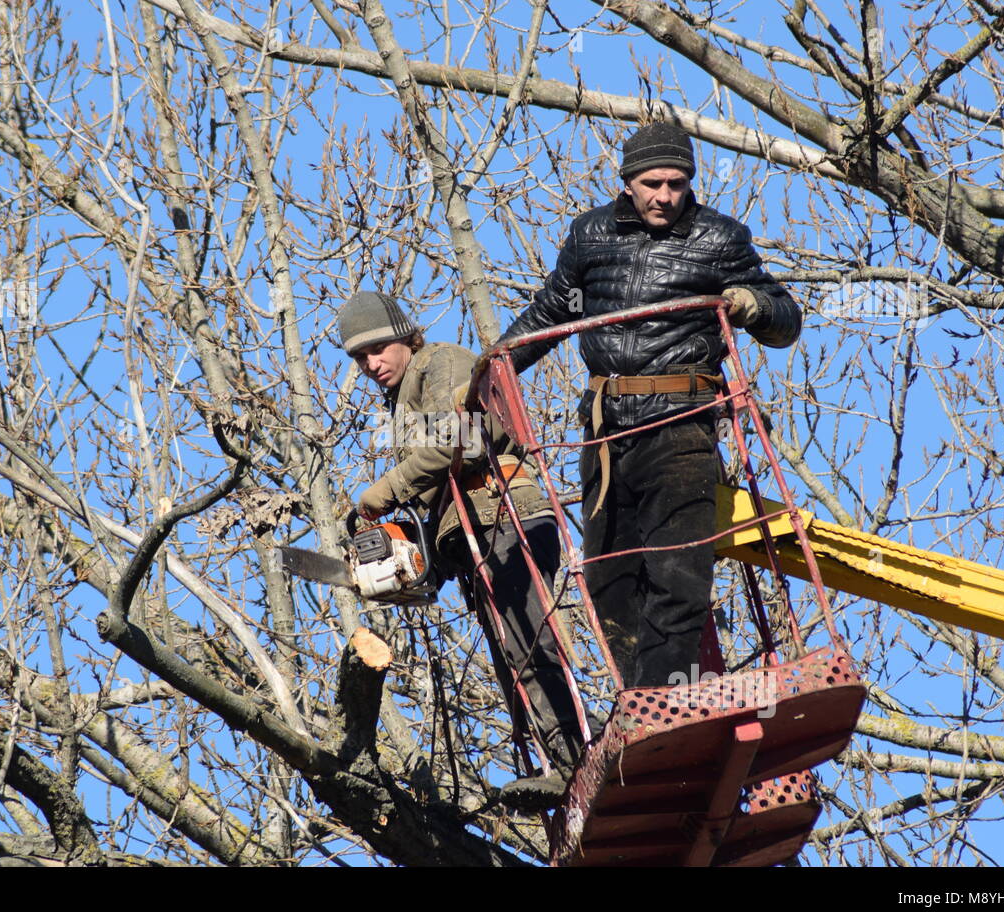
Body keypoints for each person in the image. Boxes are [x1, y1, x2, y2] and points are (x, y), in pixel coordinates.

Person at [497, 122, 802, 691]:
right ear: (628, 183)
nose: (665, 195)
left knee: (677, 570)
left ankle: (664, 700)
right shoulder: (591, 236)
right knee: (608, 577)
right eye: (653, 183)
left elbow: (786, 319)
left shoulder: (720, 239)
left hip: (680, 425)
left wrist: (749, 303)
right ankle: (639, 698)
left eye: (677, 183)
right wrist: (493, 370)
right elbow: (550, 315)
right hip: (606, 434)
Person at [338, 289, 586, 807]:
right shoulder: (404, 396)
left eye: (377, 348)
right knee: (510, 662)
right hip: (475, 532)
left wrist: (380, 495)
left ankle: (577, 763)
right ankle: (560, 769)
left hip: (505, 513)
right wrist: (413, 560)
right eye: (359, 357)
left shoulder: (440, 363)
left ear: (404, 335)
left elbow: (461, 440)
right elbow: (440, 493)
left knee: (526, 642)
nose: (370, 363)